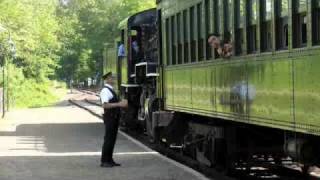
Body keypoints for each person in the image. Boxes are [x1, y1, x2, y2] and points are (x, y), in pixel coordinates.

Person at [100, 72, 128, 168]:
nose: (114, 79)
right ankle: (104, 161)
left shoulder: (111, 90)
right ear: (107, 79)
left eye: (114, 78)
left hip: (114, 118)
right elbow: (105, 105)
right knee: (108, 139)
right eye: (112, 78)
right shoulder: (105, 90)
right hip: (110, 118)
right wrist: (119, 104)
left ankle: (109, 160)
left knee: (112, 139)